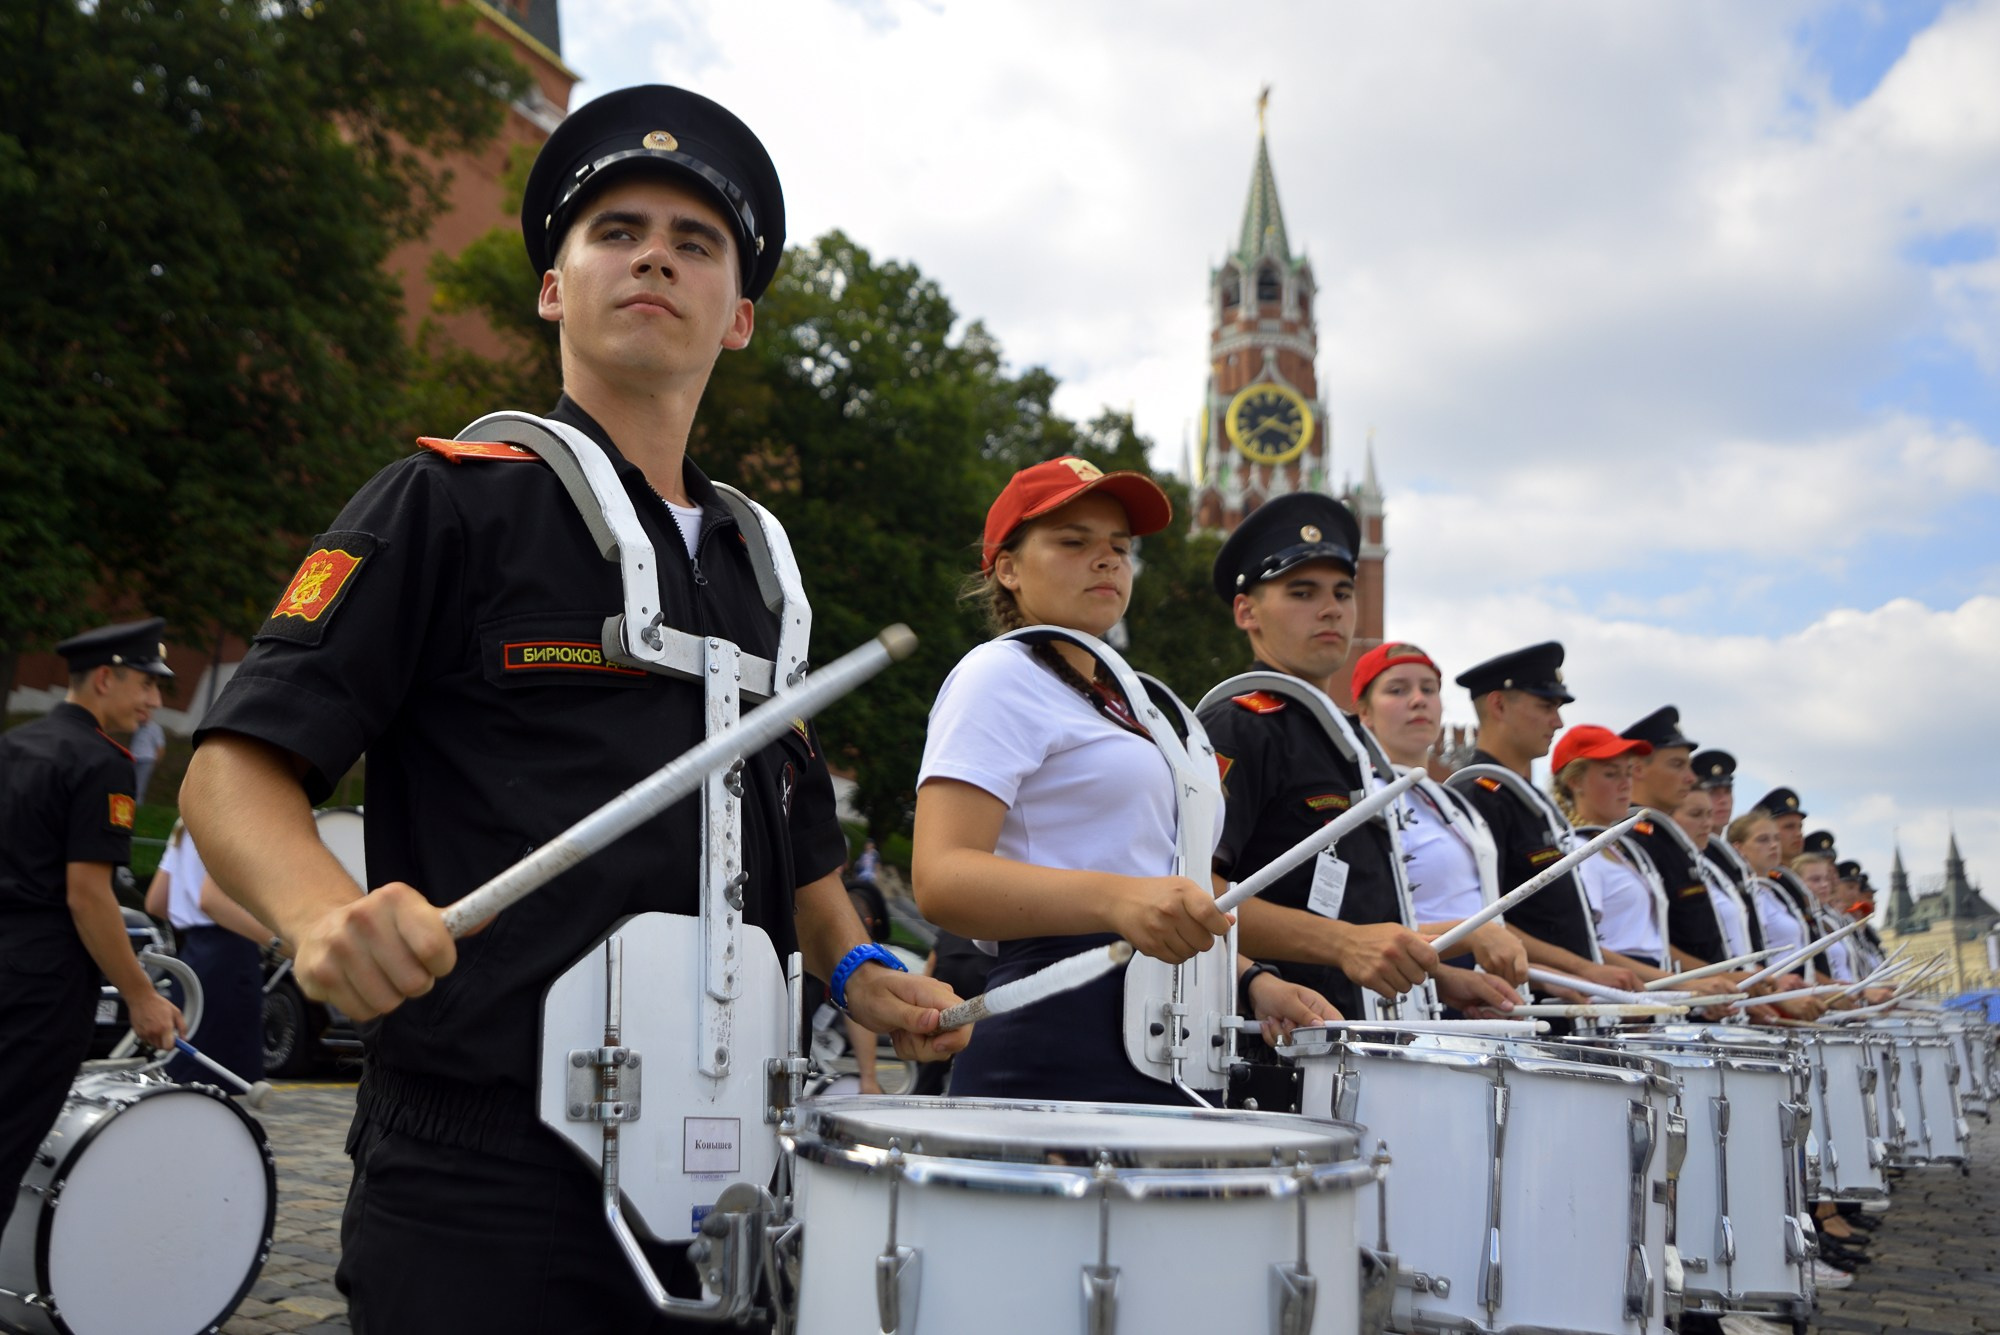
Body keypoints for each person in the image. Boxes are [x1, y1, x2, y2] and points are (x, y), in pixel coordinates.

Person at [179, 86, 963, 1333]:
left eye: (694, 242)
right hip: (484, 1167)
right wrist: (321, 917)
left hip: (724, 1173)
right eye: (616, 229)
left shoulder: (765, 569)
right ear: (555, 286)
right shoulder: (441, 505)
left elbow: (794, 833)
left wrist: (856, 960)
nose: (654, 252)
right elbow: (232, 771)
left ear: (739, 316)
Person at [912, 458, 1338, 1103]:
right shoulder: (999, 674)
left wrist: (1250, 979)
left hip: (1176, 1031)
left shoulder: (1138, 708)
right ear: (1007, 568)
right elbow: (942, 878)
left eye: (1120, 547)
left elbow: (1156, 880)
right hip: (1058, 1025)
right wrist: (1117, 900)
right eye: (1073, 541)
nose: (1108, 560)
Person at [1196, 495, 1520, 1022]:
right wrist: (1343, 943)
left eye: (1343, 593)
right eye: (1302, 592)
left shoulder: (1345, 740)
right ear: (1246, 611)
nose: (1331, 609)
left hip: (1360, 1034)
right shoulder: (1242, 725)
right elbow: (1193, 893)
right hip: (1278, 1044)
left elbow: (1364, 913)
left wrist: (1439, 977)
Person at [1, 619, 185, 1247]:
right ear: (104, 678)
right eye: (145, 684)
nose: (154, 702)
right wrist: (140, 995)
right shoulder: (103, 761)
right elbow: (89, 896)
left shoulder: (15, 746)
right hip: (42, 981)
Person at [1448, 643, 1642, 996]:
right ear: (1499, 705)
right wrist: (1583, 970)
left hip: (1565, 1001)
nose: (1559, 721)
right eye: (1546, 706)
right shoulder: (1478, 796)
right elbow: (1482, 920)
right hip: (1525, 1005)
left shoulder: (1528, 801)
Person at [1349, 640, 1527, 988]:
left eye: (1428, 689)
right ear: (1365, 713)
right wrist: (1471, 937)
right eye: (1398, 690)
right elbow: (1353, 930)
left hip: (1480, 994)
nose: (1419, 700)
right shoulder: (1356, 797)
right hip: (1406, 993)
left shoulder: (1452, 804)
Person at [145, 819, 272, 1084]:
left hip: (192, 957)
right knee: (221, 1086)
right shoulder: (237, 818)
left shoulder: (186, 823)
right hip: (231, 958)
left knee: (184, 1076)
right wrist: (277, 941)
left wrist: (187, 913)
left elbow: (156, 901)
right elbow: (212, 900)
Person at [1620, 707, 1730, 968]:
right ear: (1637, 769)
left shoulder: (1666, 835)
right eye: (1677, 765)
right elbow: (1638, 940)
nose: (1690, 778)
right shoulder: (1628, 838)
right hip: (1673, 994)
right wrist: (1721, 979)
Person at [130, 716, 165, 801]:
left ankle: (137, 804)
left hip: (146, 759)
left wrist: (156, 761)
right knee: (129, 781)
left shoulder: (155, 728)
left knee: (140, 784)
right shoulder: (136, 726)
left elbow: (160, 747)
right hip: (133, 757)